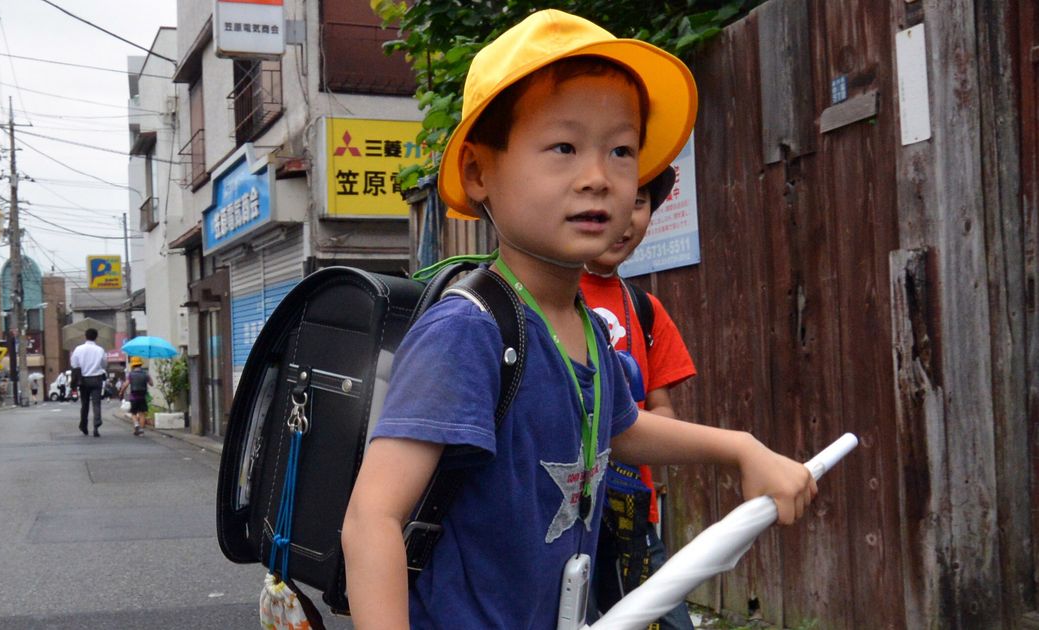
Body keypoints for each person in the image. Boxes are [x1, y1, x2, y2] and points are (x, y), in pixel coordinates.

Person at [341, 10, 816, 629]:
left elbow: (619, 426)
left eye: (621, 151)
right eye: (564, 147)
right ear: (480, 172)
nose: (598, 178)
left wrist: (741, 449)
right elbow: (370, 519)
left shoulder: (586, 324)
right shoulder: (471, 330)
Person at [580, 166, 697, 625]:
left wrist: (643, 425)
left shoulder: (646, 309)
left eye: (639, 203)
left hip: (632, 518)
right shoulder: (535, 297)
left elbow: (661, 406)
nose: (624, 219)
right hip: (558, 524)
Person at [69, 328, 107, 437]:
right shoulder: (100, 349)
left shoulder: (78, 349)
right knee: (96, 403)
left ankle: (84, 426)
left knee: (84, 404)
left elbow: (74, 364)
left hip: (83, 379)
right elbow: (104, 364)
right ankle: (96, 425)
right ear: (96, 337)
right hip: (96, 378)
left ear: (85, 336)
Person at [119, 357, 152, 436]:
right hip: (142, 397)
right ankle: (141, 431)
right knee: (142, 414)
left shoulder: (131, 374)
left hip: (134, 397)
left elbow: (125, 385)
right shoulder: (145, 374)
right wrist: (148, 377)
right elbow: (151, 383)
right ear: (140, 364)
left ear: (133, 365)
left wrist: (121, 392)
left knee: (133, 413)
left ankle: (136, 425)